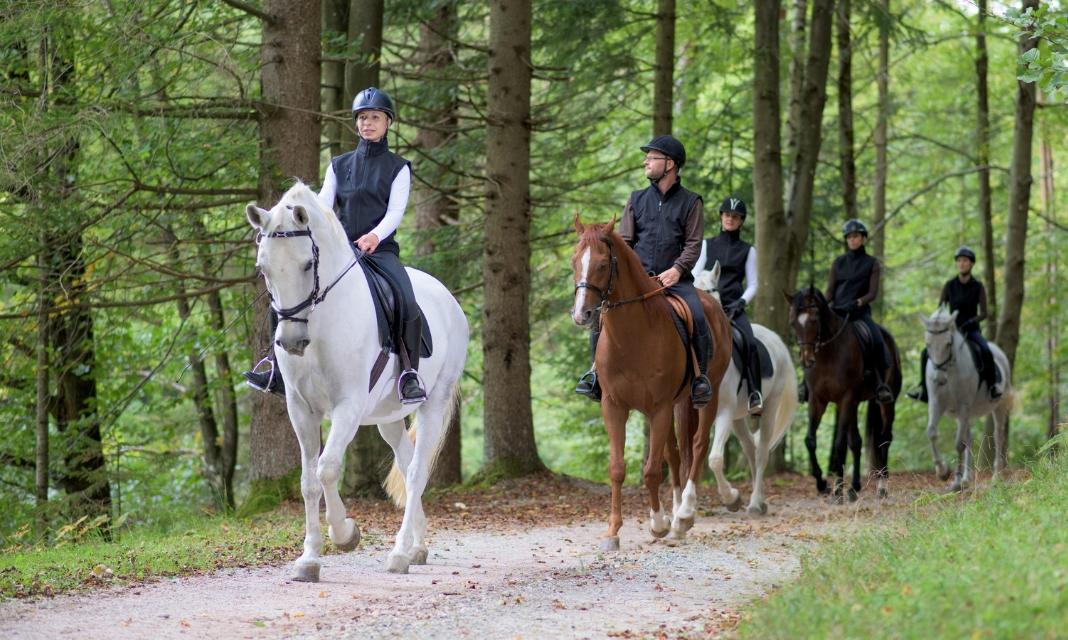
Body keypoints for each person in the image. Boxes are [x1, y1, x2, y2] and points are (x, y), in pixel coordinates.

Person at [244, 86, 427, 403]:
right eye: (362, 118)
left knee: (406, 300)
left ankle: (409, 372)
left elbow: (396, 211)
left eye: (374, 117)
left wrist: (374, 236)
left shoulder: (398, 168)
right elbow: (323, 207)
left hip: (379, 252)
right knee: (286, 292)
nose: (367, 123)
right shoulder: (339, 166)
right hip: (341, 254)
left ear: (387, 123)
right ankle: (275, 367)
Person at [575, 134, 713, 408]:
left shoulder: (691, 202)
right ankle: (594, 374)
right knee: (601, 317)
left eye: (651, 158)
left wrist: (677, 269)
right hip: (638, 282)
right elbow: (625, 243)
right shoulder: (636, 199)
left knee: (697, 315)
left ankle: (699, 379)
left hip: (674, 280)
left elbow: (694, 243)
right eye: (646, 157)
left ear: (670, 164)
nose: (645, 162)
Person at [801, 219, 893, 404]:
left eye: (856, 236)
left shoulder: (872, 263)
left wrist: (858, 302)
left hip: (859, 313)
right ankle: (805, 384)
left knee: (876, 339)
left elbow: (872, 293)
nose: (852, 240)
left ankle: (880, 383)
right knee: (811, 336)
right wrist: (820, 304)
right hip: (837, 312)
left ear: (863, 238)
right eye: (849, 237)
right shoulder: (838, 263)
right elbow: (830, 291)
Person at [693, 196, 762, 414]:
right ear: (721, 217)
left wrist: (741, 302)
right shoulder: (707, 244)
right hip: (706, 303)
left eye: (735, 216)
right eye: (727, 215)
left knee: (750, 342)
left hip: (733, 307)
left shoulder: (748, 250)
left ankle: (754, 392)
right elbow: (695, 273)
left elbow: (753, 284)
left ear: (741, 221)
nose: (730, 219)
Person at [907, 246, 1001, 402]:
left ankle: (992, 386)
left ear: (971, 264)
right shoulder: (949, 285)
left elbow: (984, 313)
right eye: (959, 261)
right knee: (925, 353)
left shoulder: (978, 286)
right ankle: (924, 389)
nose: (962, 264)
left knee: (985, 350)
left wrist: (971, 322)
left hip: (971, 330)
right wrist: (940, 324)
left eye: (965, 261)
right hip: (950, 330)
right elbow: (940, 308)